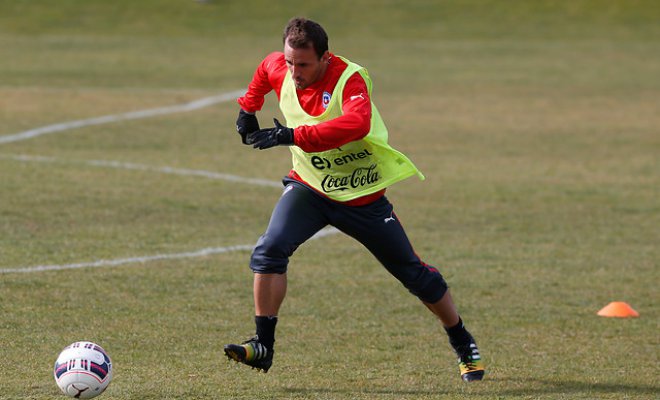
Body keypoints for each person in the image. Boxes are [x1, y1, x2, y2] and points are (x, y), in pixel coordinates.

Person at [223, 17, 485, 382]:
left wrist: (291, 135)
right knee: (269, 250)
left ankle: (461, 339)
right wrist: (246, 110)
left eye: (303, 64)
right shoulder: (279, 66)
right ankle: (263, 345)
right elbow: (266, 71)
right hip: (310, 188)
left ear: (325, 58)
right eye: (290, 62)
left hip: (361, 196)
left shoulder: (349, 79)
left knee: (414, 275)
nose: (294, 72)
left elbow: (356, 125)